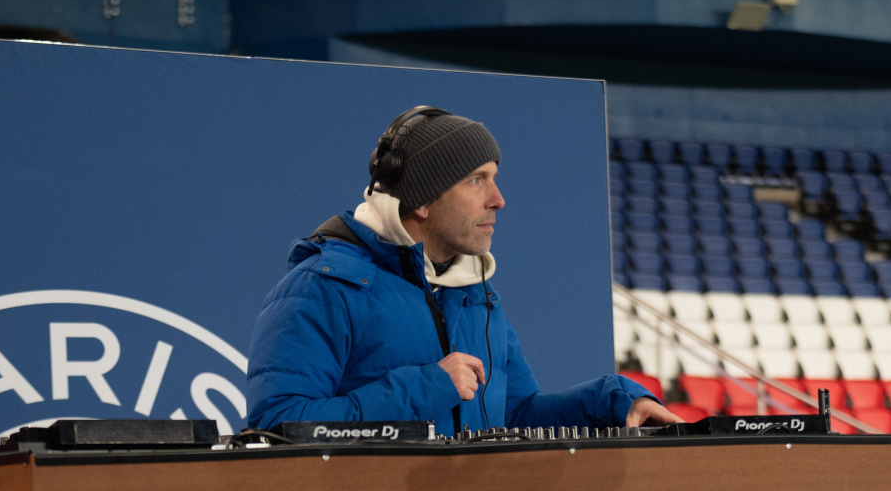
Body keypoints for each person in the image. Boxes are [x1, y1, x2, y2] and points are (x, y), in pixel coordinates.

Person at [244, 106, 675, 435]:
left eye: (494, 178)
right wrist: (428, 387)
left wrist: (611, 401)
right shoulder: (320, 289)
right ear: (422, 200)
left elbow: (516, 417)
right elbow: (279, 427)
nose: (498, 199)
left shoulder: (474, 292)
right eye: (476, 180)